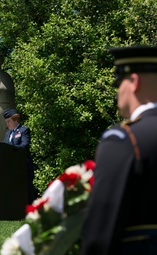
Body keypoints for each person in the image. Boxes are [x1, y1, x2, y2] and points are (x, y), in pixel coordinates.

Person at [81, 45, 157, 255]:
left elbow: (100, 233)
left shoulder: (124, 139)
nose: (117, 91)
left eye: (118, 82)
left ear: (134, 81)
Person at [3, 108, 35, 204]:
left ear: (15, 119)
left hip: (23, 165)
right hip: (12, 167)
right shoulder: (7, 134)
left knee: (27, 189)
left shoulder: (23, 130)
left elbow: (24, 145)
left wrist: (11, 148)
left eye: (9, 121)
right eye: (6, 122)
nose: (7, 124)